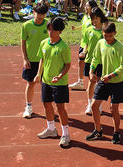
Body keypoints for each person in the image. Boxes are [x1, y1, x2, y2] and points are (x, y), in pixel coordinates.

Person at [86, 21, 123, 144]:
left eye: (110, 36)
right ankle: (98, 131)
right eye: (105, 35)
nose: (107, 38)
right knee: (94, 106)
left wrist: (111, 75)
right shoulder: (100, 43)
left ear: (115, 33)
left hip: (116, 82)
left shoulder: (119, 47)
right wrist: (91, 70)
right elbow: (95, 58)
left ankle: (116, 132)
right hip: (104, 81)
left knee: (113, 109)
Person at [34, 17, 71, 148]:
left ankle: (65, 134)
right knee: (46, 104)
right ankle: (51, 129)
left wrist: (60, 76)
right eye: (49, 29)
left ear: (60, 31)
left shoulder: (64, 47)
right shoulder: (44, 43)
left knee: (60, 108)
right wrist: (39, 74)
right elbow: (42, 60)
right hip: (46, 81)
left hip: (59, 83)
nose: (50, 32)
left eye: (53, 30)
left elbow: (67, 65)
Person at [20, 3, 49, 119]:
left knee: (46, 84)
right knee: (30, 83)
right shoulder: (26, 26)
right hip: (32, 60)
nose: (40, 17)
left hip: (46, 60)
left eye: (43, 14)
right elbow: (23, 42)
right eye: (38, 14)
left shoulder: (48, 25)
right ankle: (28, 107)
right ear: (33, 13)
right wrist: (25, 58)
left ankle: (47, 107)